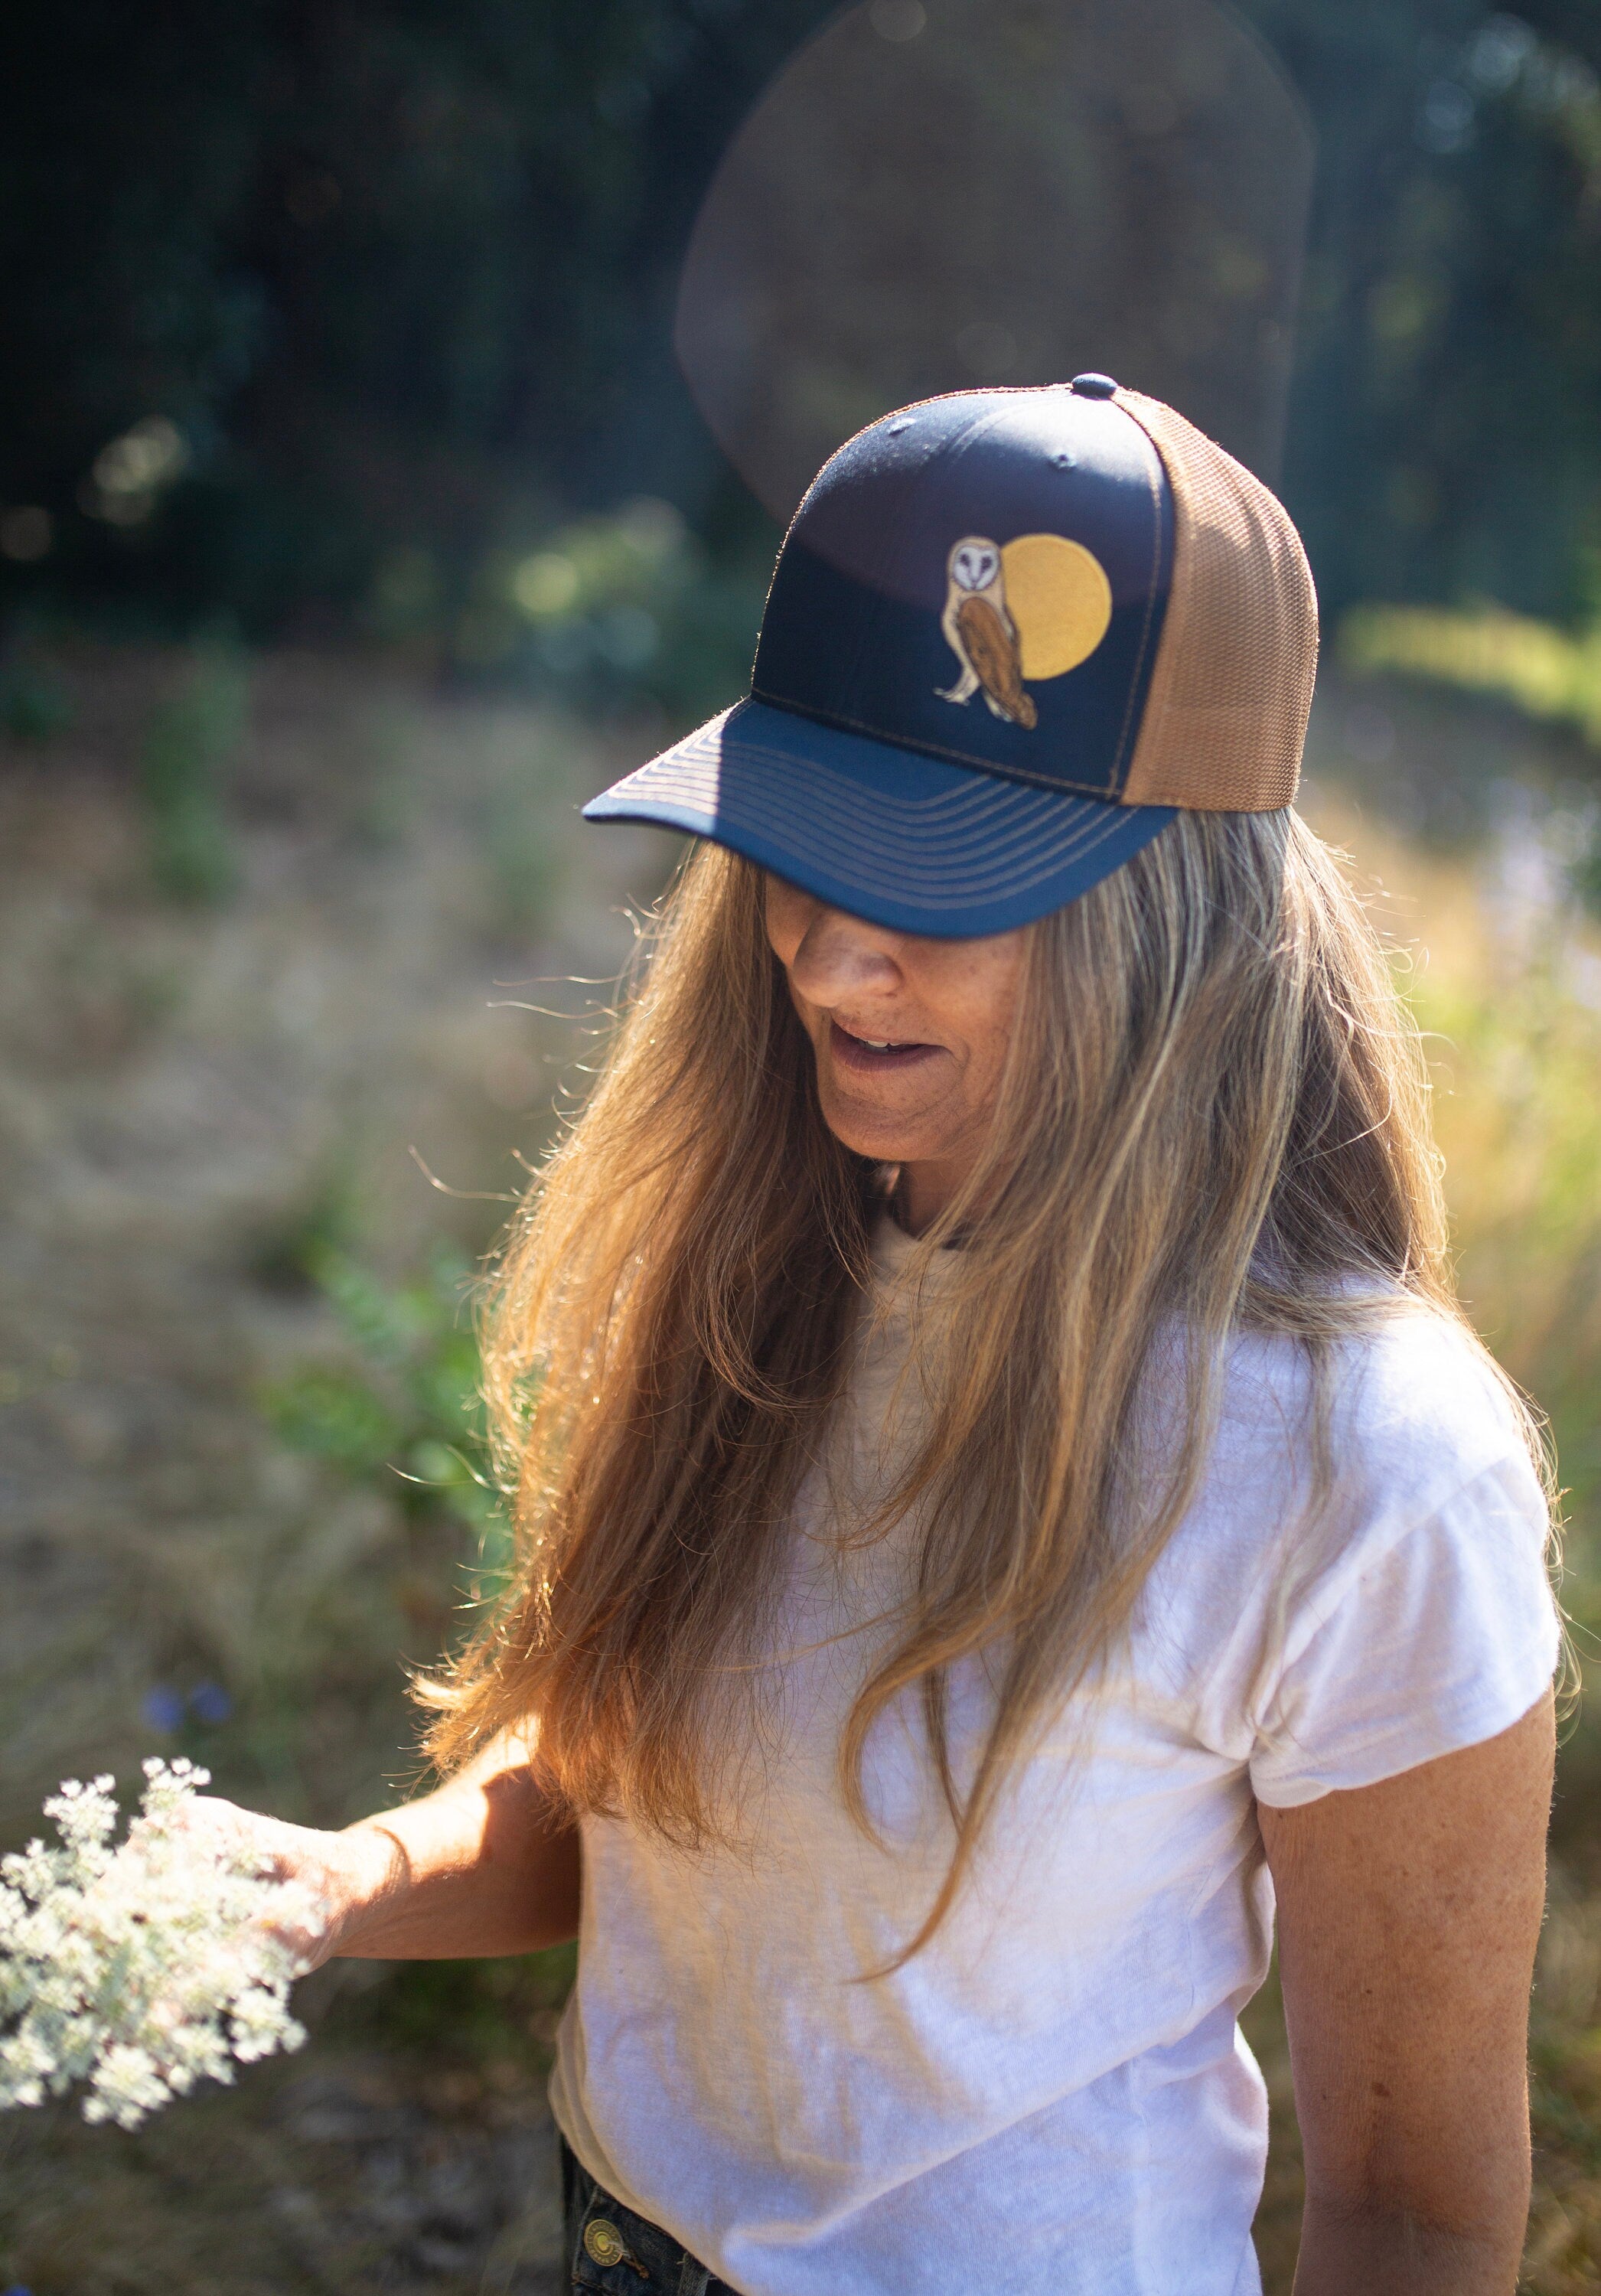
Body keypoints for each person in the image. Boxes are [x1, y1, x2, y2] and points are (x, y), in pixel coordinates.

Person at [203, 377, 1560, 2296]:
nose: (829, 958)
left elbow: (1416, 2207)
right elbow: (644, 1806)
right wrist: (348, 1884)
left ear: (1168, 903)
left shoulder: (1364, 1464)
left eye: (938, 881)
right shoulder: (775, 1251)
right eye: (800, 847)